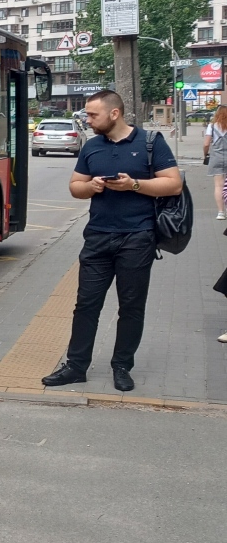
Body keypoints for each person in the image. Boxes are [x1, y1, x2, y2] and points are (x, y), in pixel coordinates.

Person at [42, 89, 183, 392]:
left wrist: (134, 185)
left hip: (138, 237)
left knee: (131, 306)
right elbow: (75, 187)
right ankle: (76, 367)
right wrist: (90, 186)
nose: (88, 120)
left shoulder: (149, 143)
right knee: (86, 305)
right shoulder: (92, 147)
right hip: (97, 237)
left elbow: (173, 183)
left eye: (93, 115)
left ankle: (122, 366)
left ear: (114, 113)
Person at [203, 105, 227, 220]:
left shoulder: (211, 126)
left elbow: (206, 144)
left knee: (219, 186)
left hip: (216, 157)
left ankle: (221, 212)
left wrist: (205, 154)